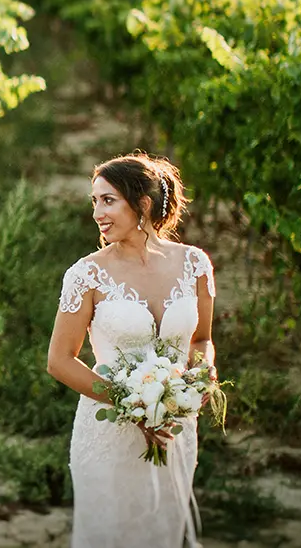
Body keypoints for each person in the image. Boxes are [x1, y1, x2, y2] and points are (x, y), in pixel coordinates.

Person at [47, 153, 217, 548]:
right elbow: (59, 360)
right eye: (94, 202)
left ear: (141, 204)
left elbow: (201, 340)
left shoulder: (195, 265)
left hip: (175, 427)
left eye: (108, 200)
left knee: (162, 532)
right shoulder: (86, 274)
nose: (97, 214)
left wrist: (202, 376)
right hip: (109, 432)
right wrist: (131, 406)